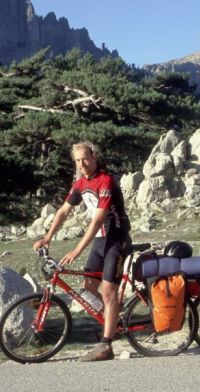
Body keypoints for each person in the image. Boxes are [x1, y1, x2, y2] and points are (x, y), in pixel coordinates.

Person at [33, 141, 130, 362]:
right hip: (99, 241)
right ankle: (113, 318)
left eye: (85, 159)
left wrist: (76, 250)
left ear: (94, 157)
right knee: (87, 287)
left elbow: (97, 220)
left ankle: (106, 346)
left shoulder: (105, 181)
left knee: (107, 291)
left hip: (116, 238)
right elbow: (64, 211)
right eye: (77, 161)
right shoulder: (80, 183)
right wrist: (48, 237)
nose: (81, 164)